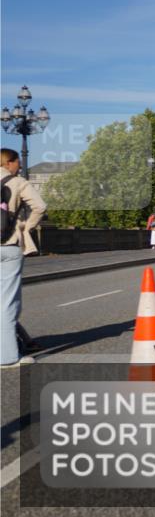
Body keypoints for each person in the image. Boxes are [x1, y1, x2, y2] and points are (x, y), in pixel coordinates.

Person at [2, 148, 47, 367]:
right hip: (9, 246)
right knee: (8, 302)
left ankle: (25, 341)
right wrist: (26, 228)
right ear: (8, 163)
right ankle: (8, 357)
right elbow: (40, 206)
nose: (20, 165)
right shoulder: (18, 182)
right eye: (18, 162)